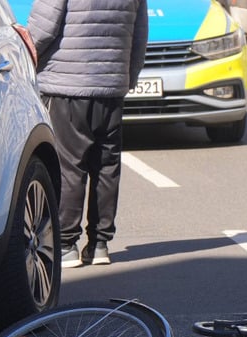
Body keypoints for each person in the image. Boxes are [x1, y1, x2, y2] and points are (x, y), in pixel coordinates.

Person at [26, 0, 148, 268]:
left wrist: (22, 60)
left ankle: (67, 243)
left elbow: (42, 29)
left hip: (68, 85)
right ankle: (99, 244)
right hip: (111, 86)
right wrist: (127, 78)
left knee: (70, 165)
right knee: (106, 166)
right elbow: (140, 36)